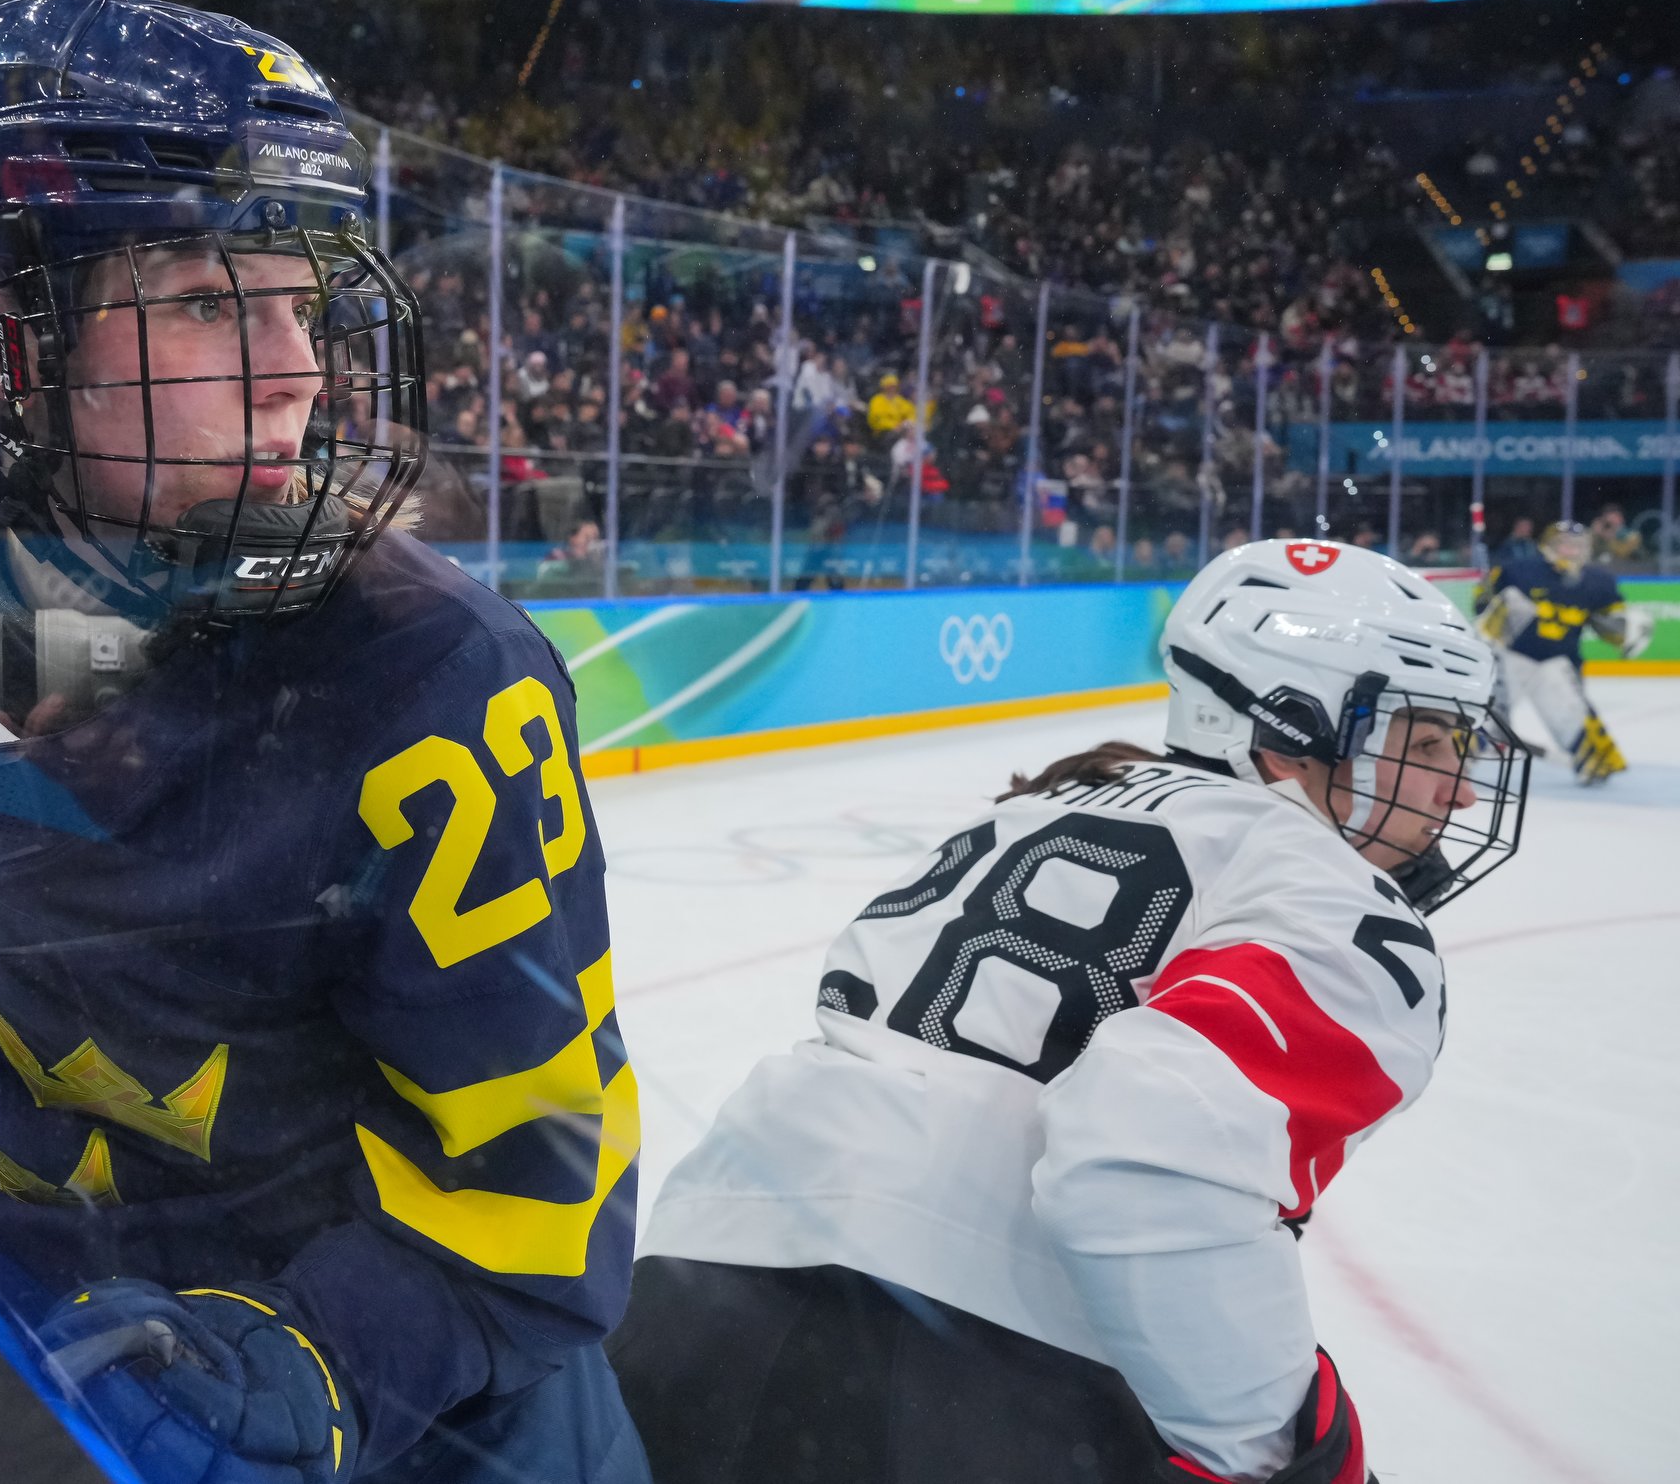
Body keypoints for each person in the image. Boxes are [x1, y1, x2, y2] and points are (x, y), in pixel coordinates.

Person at [0, 0, 647, 1484]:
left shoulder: (433, 680)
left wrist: (318, 1355)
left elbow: (543, 1196)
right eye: (213, 303)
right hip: (25, 1340)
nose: (299, 372)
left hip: (420, 1436)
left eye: (303, 300)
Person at [609, 539, 1531, 1484]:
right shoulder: (1336, 897)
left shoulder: (1033, 810)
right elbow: (1147, 1158)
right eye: (1426, 745)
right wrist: (1274, 1457)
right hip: (961, 1379)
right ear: (1291, 733)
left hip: (682, 1301)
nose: (1458, 790)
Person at [1478, 520, 1645, 783]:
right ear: (1548, 545)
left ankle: (1593, 763)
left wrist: (1622, 630)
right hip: (1510, 656)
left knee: (1574, 718)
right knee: (1479, 715)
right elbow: (1481, 602)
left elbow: (1611, 621)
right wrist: (1489, 600)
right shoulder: (1519, 571)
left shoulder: (1597, 581)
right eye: (1565, 545)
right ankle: (1451, 756)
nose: (1572, 551)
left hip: (1558, 663)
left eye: (1579, 546)